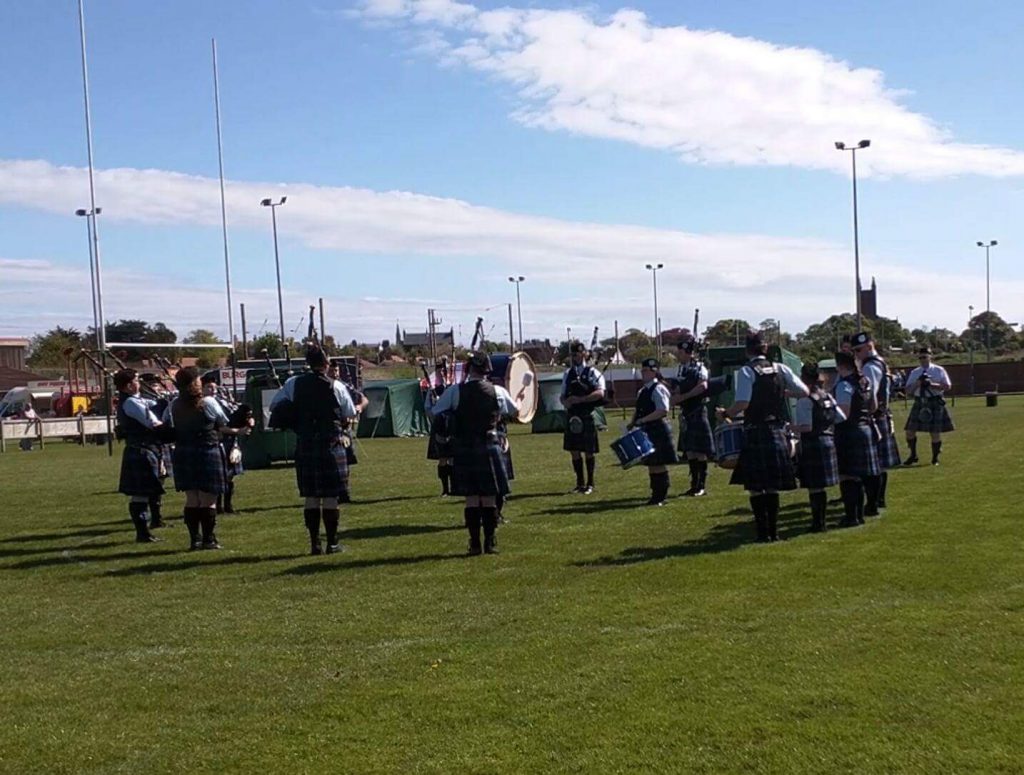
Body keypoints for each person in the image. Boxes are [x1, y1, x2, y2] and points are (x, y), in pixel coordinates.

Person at [428, 351, 519, 555]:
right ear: (487, 369)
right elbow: (515, 411)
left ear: (469, 369)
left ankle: (475, 543)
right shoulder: (498, 391)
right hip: (490, 445)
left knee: (471, 498)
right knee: (488, 497)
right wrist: (521, 399)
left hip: (464, 447)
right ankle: (490, 542)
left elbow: (436, 413)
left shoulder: (455, 391)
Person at [720, 333, 808, 542]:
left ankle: (762, 534)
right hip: (777, 430)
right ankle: (774, 532)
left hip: (756, 430)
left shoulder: (746, 371)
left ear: (747, 350)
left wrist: (725, 414)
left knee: (756, 487)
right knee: (771, 486)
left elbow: (742, 403)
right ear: (765, 349)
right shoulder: (781, 368)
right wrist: (784, 394)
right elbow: (804, 391)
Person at [270, 346, 357, 555]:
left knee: (311, 496)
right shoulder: (336, 386)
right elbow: (350, 412)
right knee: (330, 496)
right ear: (326, 364)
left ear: (308, 363)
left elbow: (275, 406)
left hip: (306, 442)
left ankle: (314, 543)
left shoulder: (293, 384)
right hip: (331, 444)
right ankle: (332, 543)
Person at [165, 367, 249, 550]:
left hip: (183, 452)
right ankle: (209, 539)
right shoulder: (207, 402)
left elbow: (166, 424)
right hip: (206, 451)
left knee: (192, 499)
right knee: (208, 499)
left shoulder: (174, 404)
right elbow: (223, 422)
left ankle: (195, 539)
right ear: (195, 383)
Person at [113, 368, 166, 543]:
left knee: (143, 493)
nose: (139, 383)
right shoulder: (130, 403)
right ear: (128, 386)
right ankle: (142, 533)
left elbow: (151, 404)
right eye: (136, 380)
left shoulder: (135, 400)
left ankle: (144, 532)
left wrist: (163, 402)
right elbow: (153, 423)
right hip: (141, 449)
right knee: (140, 494)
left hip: (143, 449)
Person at [851, 331, 900, 515]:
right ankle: (878, 500)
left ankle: (873, 503)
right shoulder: (879, 363)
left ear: (869, 346)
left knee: (873, 464)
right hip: (881, 415)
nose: (856, 354)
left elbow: (869, 394)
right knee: (879, 463)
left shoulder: (870, 367)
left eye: (858, 350)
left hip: (874, 416)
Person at [830, 351, 881, 527]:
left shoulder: (844, 385)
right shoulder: (864, 381)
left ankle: (852, 517)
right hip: (865, 429)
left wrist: (827, 417)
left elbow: (843, 414)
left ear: (840, 366)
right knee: (858, 477)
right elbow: (873, 406)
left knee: (847, 476)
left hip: (849, 432)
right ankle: (859, 515)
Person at [792, 363, 844, 532]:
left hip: (813, 444)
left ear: (803, 378)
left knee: (815, 486)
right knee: (819, 486)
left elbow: (806, 427)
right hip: (829, 440)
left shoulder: (805, 400)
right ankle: (821, 522)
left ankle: (818, 524)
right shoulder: (827, 396)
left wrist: (789, 427)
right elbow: (840, 418)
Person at [628, 358, 678, 506]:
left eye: (646, 371)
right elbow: (638, 410)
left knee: (659, 463)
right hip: (647, 429)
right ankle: (655, 494)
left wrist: (643, 420)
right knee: (651, 464)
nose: (643, 373)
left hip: (658, 428)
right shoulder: (642, 390)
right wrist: (632, 423)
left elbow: (662, 410)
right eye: (642, 370)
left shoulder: (659, 388)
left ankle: (661, 495)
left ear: (654, 371)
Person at [560, 341, 606, 494]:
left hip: (586, 414)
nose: (575, 357)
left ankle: (590, 483)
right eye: (573, 354)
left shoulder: (592, 372)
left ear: (584, 354)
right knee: (574, 450)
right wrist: (566, 402)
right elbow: (562, 396)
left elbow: (600, 393)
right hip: (573, 415)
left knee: (589, 450)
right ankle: (579, 483)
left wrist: (581, 399)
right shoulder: (568, 374)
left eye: (578, 354)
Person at [671, 339, 715, 496]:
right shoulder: (681, 369)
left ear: (688, 353)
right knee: (689, 450)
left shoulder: (700, 367)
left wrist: (684, 396)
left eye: (680, 352)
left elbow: (703, 386)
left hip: (697, 409)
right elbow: (677, 387)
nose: (678, 355)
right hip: (686, 412)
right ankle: (694, 484)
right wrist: (675, 396)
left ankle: (701, 486)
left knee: (700, 450)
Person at [201, 372, 244, 515]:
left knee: (230, 476)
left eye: (214, 388)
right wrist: (238, 431)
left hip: (230, 441)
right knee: (220, 476)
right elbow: (219, 426)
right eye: (208, 387)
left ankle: (228, 506)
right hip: (218, 441)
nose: (213, 391)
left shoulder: (222, 402)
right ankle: (218, 506)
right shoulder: (204, 404)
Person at [903, 347, 954, 466]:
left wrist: (931, 384)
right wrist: (918, 383)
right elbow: (908, 390)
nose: (922, 360)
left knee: (934, 432)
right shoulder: (915, 372)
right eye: (920, 357)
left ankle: (935, 458)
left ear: (930, 356)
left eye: (924, 357)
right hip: (920, 401)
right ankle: (913, 455)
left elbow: (947, 386)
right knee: (910, 431)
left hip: (934, 401)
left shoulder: (939, 370)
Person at [328, 359, 367, 502]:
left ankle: (344, 491)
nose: (334, 373)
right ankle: (334, 492)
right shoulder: (324, 387)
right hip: (334, 429)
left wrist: (360, 407)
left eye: (336, 370)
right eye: (332, 370)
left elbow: (364, 399)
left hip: (345, 430)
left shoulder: (345, 386)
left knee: (345, 464)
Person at [424, 360, 456, 496]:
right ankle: (445, 489)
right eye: (439, 372)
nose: (442, 374)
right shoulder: (432, 391)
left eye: (444, 371)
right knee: (443, 459)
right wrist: (437, 415)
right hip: (440, 428)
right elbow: (428, 409)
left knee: (454, 459)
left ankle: (455, 487)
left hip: (453, 428)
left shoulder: (453, 389)